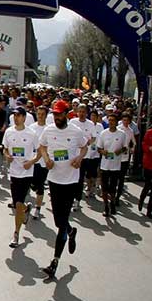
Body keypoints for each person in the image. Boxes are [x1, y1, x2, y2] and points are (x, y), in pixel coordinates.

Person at [36, 100, 89, 279]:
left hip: (70, 180)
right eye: (55, 114)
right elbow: (42, 146)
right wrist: (46, 159)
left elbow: (84, 146)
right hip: (54, 179)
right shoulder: (48, 130)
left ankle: (55, 262)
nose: (57, 117)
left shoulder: (76, 131)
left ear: (67, 114)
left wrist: (80, 158)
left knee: (61, 222)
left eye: (60, 114)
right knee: (59, 222)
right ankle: (71, 231)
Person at [2, 107, 39, 248]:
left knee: (17, 204)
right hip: (14, 172)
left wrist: (31, 162)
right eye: (14, 115)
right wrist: (7, 156)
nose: (15, 118)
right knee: (18, 203)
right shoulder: (9, 131)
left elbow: (40, 152)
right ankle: (25, 209)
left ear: (24, 117)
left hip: (27, 172)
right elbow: (5, 148)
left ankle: (16, 234)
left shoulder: (31, 133)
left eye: (18, 115)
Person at [97, 113, 128, 219]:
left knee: (113, 188)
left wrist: (121, 150)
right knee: (104, 188)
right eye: (109, 120)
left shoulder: (122, 134)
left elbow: (125, 147)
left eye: (113, 120)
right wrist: (102, 151)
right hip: (105, 165)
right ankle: (106, 206)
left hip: (116, 166)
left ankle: (113, 204)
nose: (111, 122)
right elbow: (99, 148)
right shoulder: (103, 133)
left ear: (116, 122)